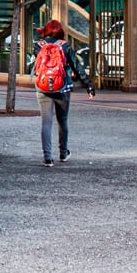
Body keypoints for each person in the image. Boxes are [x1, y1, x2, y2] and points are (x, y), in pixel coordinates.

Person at [32, 20, 94, 166]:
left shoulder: (38, 46)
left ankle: (47, 157)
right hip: (62, 87)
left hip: (43, 87)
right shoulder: (64, 46)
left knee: (46, 122)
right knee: (62, 121)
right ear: (60, 31)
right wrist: (89, 86)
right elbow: (77, 67)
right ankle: (63, 152)